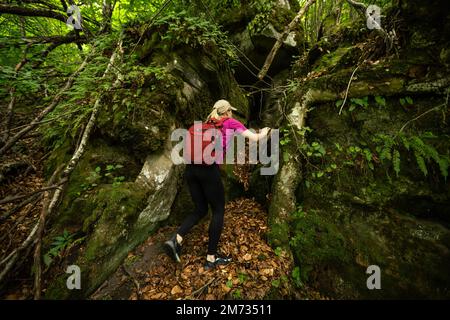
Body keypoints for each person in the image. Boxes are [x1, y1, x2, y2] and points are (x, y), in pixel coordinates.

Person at [164, 99, 271, 270]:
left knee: (200, 209)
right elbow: (255, 137)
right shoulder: (230, 122)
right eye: (231, 111)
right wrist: (266, 131)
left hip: (191, 169)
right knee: (218, 210)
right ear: (227, 112)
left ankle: (175, 239)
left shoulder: (205, 123)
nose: (232, 114)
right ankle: (211, 258)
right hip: (208, 171)